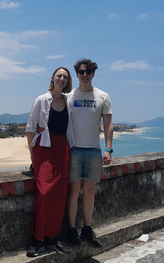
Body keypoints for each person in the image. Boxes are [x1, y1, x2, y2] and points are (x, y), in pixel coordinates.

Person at [25, 67, 75, 257]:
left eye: (65, 77)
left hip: (63, 150)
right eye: (59, 75)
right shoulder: (41, 100)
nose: (61, 78)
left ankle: (52, 238)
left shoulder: (68, 103)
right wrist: (32, 156)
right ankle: (37, 239)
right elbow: (30, 129)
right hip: (44, 150)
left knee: (60, 194)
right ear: (53, 78)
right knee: (44, 194)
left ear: (67, 81)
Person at [65, 58, 113, 249]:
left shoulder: (103, 96)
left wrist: (108, 149)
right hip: (74, 149)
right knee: (74, 191)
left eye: (88, 72)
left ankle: (87, 228)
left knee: (90, 192)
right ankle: (71, 230)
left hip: (94, 149)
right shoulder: (69, 96)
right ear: (76, 74)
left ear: (93, 74)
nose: (85, 75)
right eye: (81, 72)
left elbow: (108, 125)